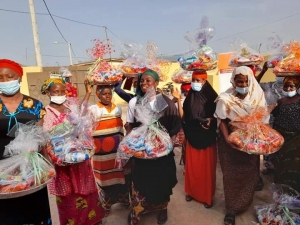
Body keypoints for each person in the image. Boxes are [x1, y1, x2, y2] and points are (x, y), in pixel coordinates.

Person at [41, 78, 104, 225]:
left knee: (87, 190)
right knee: (68, 195)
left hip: (80, 158)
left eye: (62, 91)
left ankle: (92, 220)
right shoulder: (46, 113)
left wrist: (88, 93)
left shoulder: (69, 106)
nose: (60, 94)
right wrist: (55, 157)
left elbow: (81, 113)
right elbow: (46, 139)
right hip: (63, 162)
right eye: (56, 91)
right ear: (48, 92)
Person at [214, 66, 269, 225]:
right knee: (230, 176)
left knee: (249, 174)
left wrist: (258, 138)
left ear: (251, 81)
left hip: (251, 142)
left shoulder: (257, 96)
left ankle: (245, 202)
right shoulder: (225, 98)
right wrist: (228, 139)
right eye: (239, 81)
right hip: (229, 143)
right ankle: (231, 209)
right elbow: (221, 121)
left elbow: (263, 121)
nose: (243, 84)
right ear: (233, 81)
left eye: (246, 81)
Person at [126, 69, 181, 225]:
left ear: (156, 83)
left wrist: (166, 142)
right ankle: (137, 211)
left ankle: (162, 208)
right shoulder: (134, 102)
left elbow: (175, 124)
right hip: (141, 150)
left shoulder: (166, 102)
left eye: (148, 81)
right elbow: (130, 125)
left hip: (161, 151)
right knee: (139, 180)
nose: (144, 84)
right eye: (142, 81)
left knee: (162, 180)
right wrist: (130, 144)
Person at [0, 59, 51, 224]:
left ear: (20, 78)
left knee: (35, 214)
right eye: (0, 78)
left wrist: (49, 165)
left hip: (30, 169)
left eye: (10, 76)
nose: (5, 81)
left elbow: (40, 137)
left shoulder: (35, 105)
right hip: (1, 172)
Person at [88, 84, 130, 216]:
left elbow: (120, 128)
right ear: (98, 95)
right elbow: (85, 126)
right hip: (101, 154)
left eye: (110, 93)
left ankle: (123, 200)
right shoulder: (93, 109)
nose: (108, 96)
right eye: (104, 94)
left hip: (117, 150)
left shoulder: (117, 108)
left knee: (120, 174)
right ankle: (106, 205)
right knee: (104, 178)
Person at [180, 70, 218, 208]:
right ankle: (192, 192)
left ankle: (206, 197)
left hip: (206, 136)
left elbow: (219, 114)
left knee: (206, 170)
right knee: (192, 167)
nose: (196, 83)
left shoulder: (212, 96)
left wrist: (211, 120)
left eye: (199, 80)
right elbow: (186, 114)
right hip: (192, 134)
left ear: (205, 81)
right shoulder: (191, 96)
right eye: (194, 80)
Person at [256, 62, 285, 175]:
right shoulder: (269, 85)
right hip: (269, 121)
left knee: (283, 146)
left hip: (285, 122)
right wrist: (263, 71)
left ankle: (282, 168)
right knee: (268, 144)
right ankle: (269, 166)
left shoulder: (293, 86)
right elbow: (254, 84)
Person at [272, 76, 300, 192]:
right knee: (280, 162)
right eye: (286, 86)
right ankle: (281, 187)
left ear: (297, 87)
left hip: (296, 138)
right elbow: (275, 116)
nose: (288, 88)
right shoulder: (280, 102)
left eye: (291, 86)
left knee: (295, 164)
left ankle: (294, 188)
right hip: (281, 136)